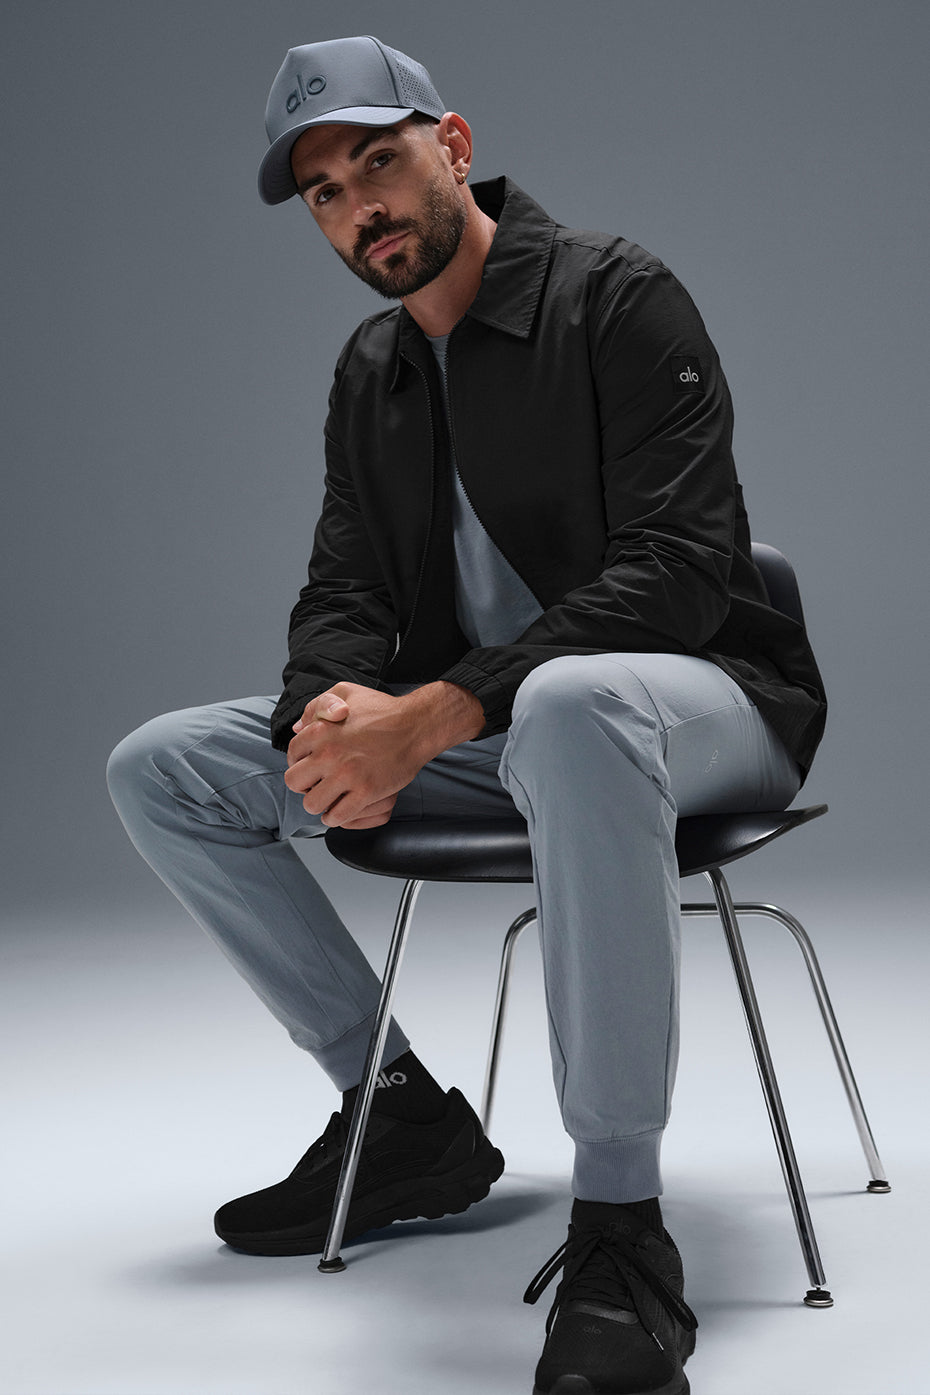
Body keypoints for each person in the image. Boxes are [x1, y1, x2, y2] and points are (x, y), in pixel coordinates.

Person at [107, 34, 827, 1395]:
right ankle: (397, 1116)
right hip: (501, 732)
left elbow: (676, 573)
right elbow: (345, 587)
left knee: (572, 700)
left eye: (377, 162)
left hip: (699, 704)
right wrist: (327, 724)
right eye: (325, 193)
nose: (359, 208)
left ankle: (621, 1229)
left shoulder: (614, 296)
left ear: (452, 143)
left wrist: (437, 713)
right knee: (165, 766)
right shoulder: (371, 368)